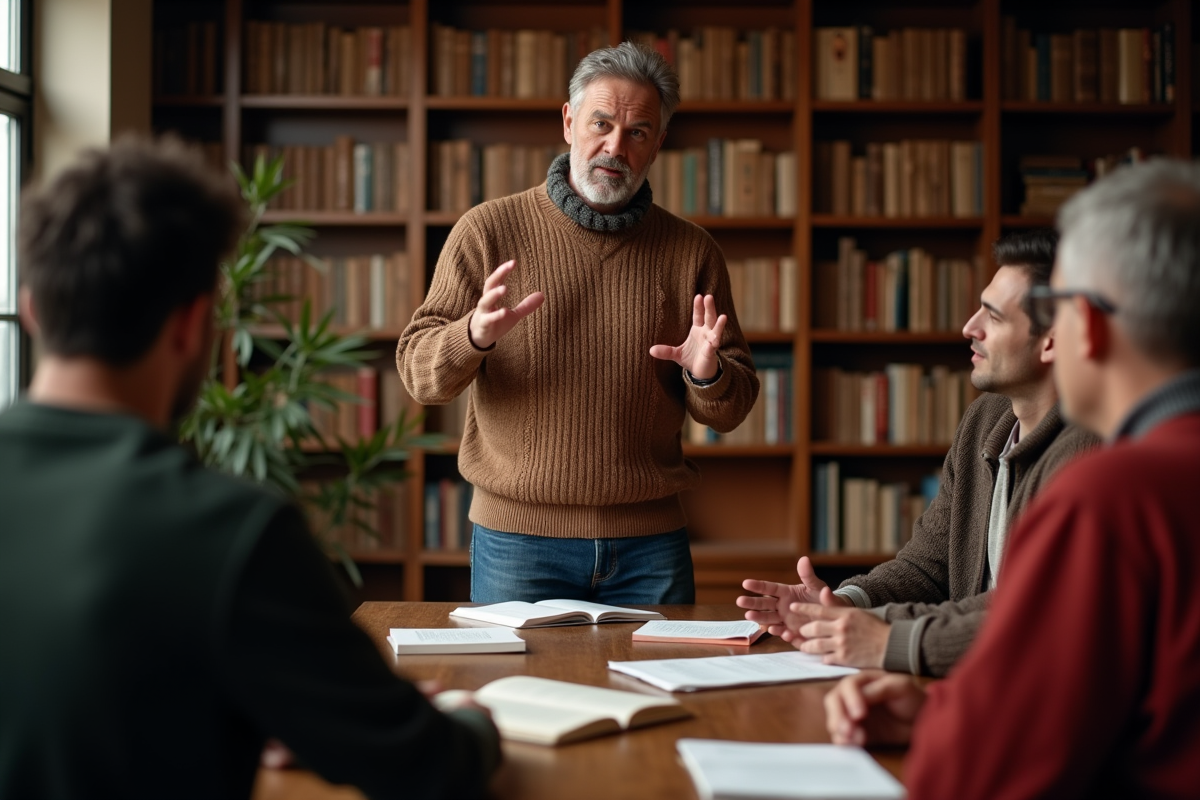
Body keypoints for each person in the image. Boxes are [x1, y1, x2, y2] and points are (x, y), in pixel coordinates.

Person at [0, 136, 500, 799]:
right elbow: (429, 766)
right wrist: (471, 720)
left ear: (33, 308)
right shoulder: (229, 532)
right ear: (193, 325)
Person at [824, 159, 1200, 799]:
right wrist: (934, 712)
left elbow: (995, 767)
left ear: (1089, 323)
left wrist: (940, 720)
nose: (970, 329)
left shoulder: (1112, 497)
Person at [396, 42, 759, 604]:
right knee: (519, 695)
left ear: (658, 144)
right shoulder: (487, 230)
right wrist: (471, 336)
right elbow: (421, 377)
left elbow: (731, 410)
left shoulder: (691, 250)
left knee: (662, 695)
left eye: (638, 132)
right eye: (601, 123)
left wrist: (708, 376)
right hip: (518, 542)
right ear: (569, 122)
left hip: (650, 544)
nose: (615, 146)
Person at [738, 230, 1097, 676]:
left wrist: (881, 632)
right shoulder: (984, 420)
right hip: (972, 682)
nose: (970, 327)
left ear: (1052, 342)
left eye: (994, 316)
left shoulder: (1090, 455)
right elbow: (929, 565)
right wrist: (845, 603)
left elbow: (1028, 611)